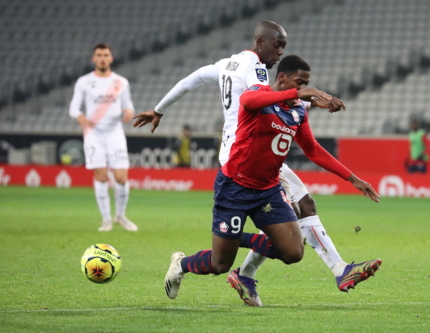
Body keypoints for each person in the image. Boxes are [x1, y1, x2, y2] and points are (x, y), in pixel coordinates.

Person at [132, 21, 374, 306]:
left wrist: (159, 109)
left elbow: (190, 81)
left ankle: (325, 268)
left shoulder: (227, 65)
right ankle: (202, 264)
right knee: (222, 261)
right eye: (278, 45)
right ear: (260, 43)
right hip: (239, 164)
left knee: (299, 222)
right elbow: (254, 99)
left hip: (254, 164)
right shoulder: (256, 69)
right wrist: (304, 96)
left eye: (284, 46)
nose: (281, 51)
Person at [69, 43, 138, 232]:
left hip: (115, 132)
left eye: (105, 54)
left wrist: (128, 112)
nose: (102, 58)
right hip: (94, 134)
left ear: (111, 58)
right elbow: (74, 108)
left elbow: (128, 106)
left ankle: (120, 216)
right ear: (94, 59)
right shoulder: (84, 81)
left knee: (121, 178)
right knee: (100, 176)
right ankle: (106, 219)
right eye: (98, 55)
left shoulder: (121, 82)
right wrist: (80, 116)